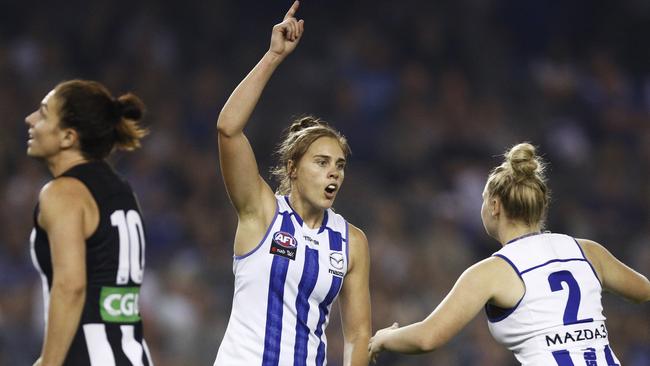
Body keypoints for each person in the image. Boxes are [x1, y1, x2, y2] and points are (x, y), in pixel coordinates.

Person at [369, 142, 650, 365]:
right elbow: (643, 291)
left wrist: (384, 338)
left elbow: (427, 338)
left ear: (494, 206)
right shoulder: (588, 251)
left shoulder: (493, 271)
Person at [214, 2, 371, 365]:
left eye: (340, 165)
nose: (334, 172)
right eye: (321, 162)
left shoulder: (352, 242)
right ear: (293, 169)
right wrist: (272, 57)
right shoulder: (262, 212)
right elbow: (228, 129)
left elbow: (359, 334)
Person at [26, 79, 153, 366]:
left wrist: (50, 363)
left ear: (68, 137)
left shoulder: (62, 192)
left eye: (44, 114)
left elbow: (70, 286)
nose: (30, 119)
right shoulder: (122, 190)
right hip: (133, 356)